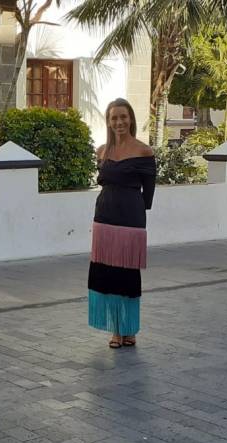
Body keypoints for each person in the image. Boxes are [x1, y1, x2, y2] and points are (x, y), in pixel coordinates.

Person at [88, 98, 156, 349]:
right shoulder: (102, 151)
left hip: (130, 221)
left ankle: (129, 329)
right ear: (108, 121)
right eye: (114, 118)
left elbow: (148, 195)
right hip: (104, 218)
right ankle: (116, 330)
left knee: (128, 277)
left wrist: (135, 214)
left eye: (123, 117)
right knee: (106, 276)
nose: (119, 122)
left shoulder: (144, 151)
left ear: (131, 120)